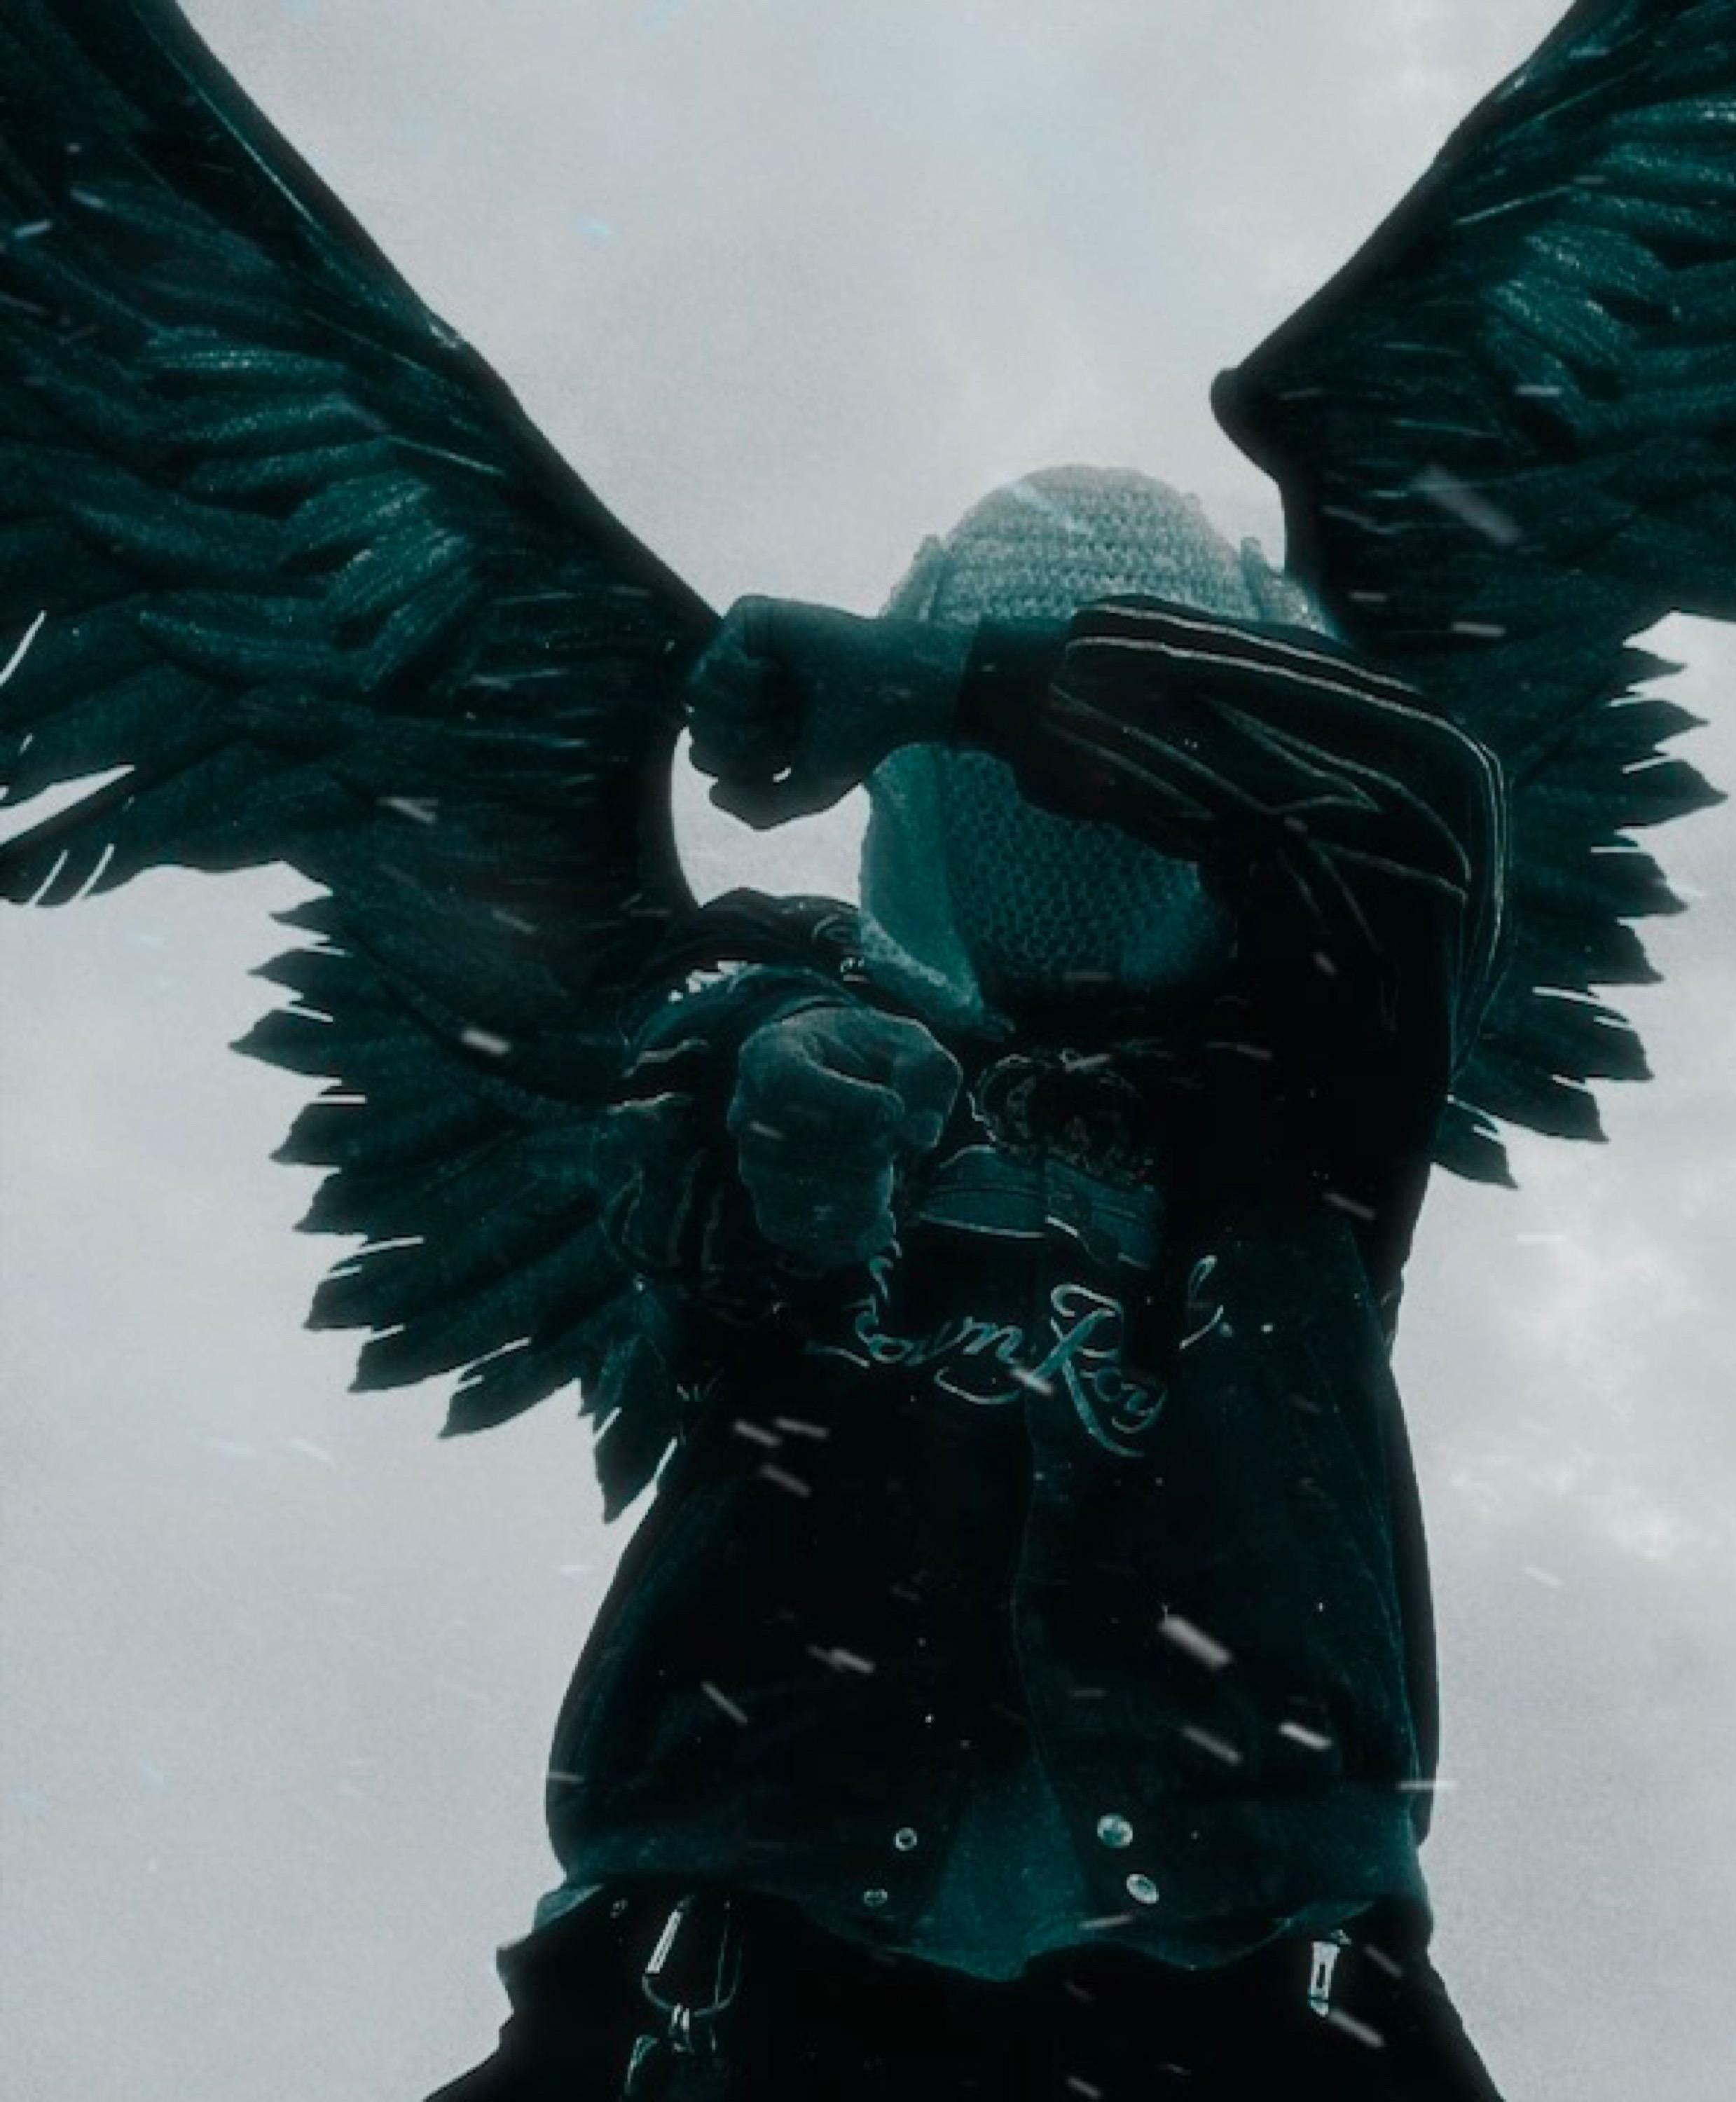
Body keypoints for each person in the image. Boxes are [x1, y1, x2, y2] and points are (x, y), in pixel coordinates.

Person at [430, 467, 1509, 2099]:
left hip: (1254, 1979)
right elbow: (685, 1133)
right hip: (736, 1967)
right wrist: (782, 1101)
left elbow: (1413, 795)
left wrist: (956, 685)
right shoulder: (778, 982)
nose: (1060, 829)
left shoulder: (1308, 1088)